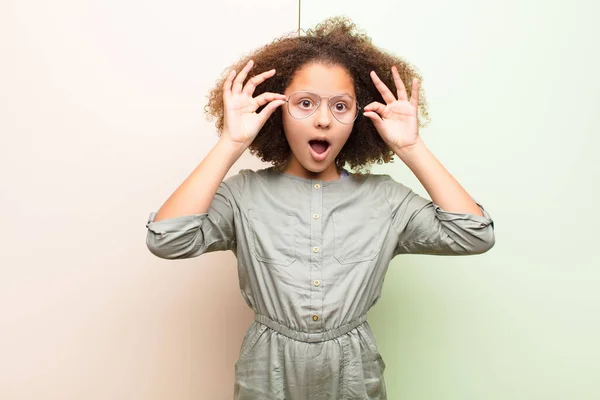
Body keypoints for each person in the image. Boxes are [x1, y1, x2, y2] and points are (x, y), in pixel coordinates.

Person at [145, 16, 495, 400]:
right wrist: (231, 142)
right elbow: (168, 240)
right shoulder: (243, 195)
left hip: (354, 371)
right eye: (305, 104)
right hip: (267, 371)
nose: (324, 120)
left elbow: (473, 235)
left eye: (341, 106)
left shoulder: (387, 200)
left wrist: (411, 148)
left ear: (360, 117)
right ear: (277, 109)